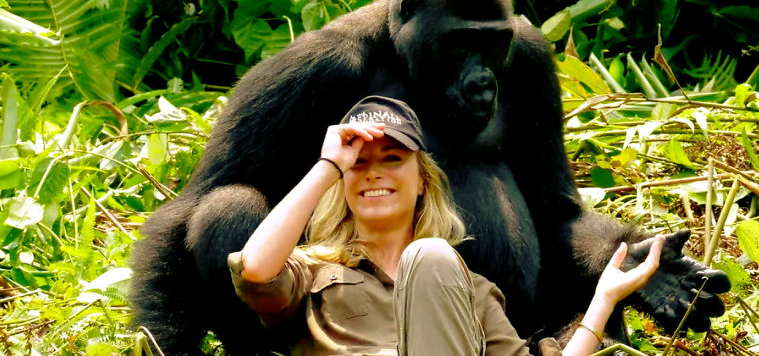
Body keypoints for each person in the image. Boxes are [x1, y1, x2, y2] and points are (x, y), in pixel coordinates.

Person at [228, 96, 663, 355]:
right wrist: (328, 164)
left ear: (422, 182)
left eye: (393, 159)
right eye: (358, 164)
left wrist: (603, 300)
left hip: (439, 274)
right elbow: (255, 268)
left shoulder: (467, 289)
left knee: (431, 257)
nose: (374, 172)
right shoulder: (311, 273)